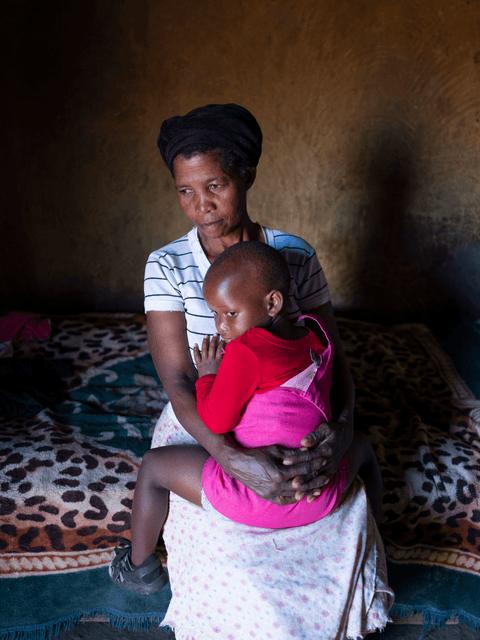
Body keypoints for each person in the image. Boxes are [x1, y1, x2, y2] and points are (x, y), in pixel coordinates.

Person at [139, 103, 393, 639]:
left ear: (246, 175)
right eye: (185, 191)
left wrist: (342, 433)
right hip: (207, 422)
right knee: (226, 553)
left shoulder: (293, 255)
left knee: (338, 522)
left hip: (297, 415)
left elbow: (332, 355)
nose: (201, 206)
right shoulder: (166, 265)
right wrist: (233, 458)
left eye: (215, 185)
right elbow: (180, 381)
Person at [109, 242, 383, 595]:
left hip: (254, 497)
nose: (221, 327)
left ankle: (138, 568)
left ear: (272, 303)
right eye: (215, 315)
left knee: (154, 466)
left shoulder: (246, 351)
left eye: (230, 314)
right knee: (362, 447)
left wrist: (209, 374)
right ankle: (379, 542)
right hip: (317, 492)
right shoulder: (316, 335)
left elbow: (216, 421)